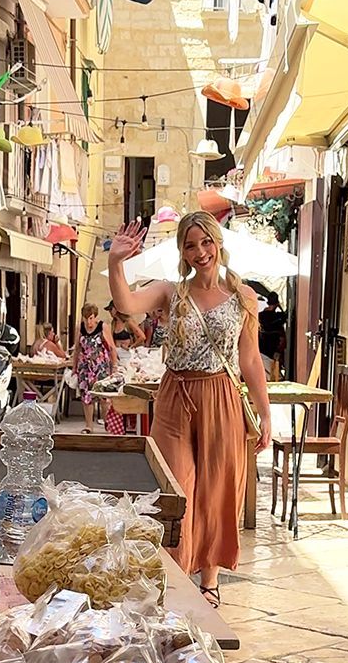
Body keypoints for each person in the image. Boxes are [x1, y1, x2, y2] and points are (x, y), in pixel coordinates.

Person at [108, 212, 271, 608]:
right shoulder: (170, 293)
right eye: (190, 245)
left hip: (222, 397)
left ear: (218, 243)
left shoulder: (244, 297)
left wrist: (265, 413)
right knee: (176, 487)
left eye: (206, 242)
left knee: (218, 486)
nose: (200, 252)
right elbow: (126, 303)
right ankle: (178, 575)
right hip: (176, 395)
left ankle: (210, 579)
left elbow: (250, 360)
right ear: (182, 251)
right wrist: (116, 262)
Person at [71, 304, 117, 434]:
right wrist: (74, 366)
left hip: (101, 366)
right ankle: (88, 425)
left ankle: (107, 423)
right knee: (86, 396)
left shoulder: (102, 327)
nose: (89, 322)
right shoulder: (80, 328)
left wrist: (114, 367)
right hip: (85, 367)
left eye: (91, 318)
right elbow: (77, 348)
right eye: (86, 319)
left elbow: (112, 347)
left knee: (104, 397)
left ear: (95, 317)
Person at [257, 292, 287, 380]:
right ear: (277, 303)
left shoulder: (260, 316)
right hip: (274, 347)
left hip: (261, 346)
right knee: (274, 370)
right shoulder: (279, 317)